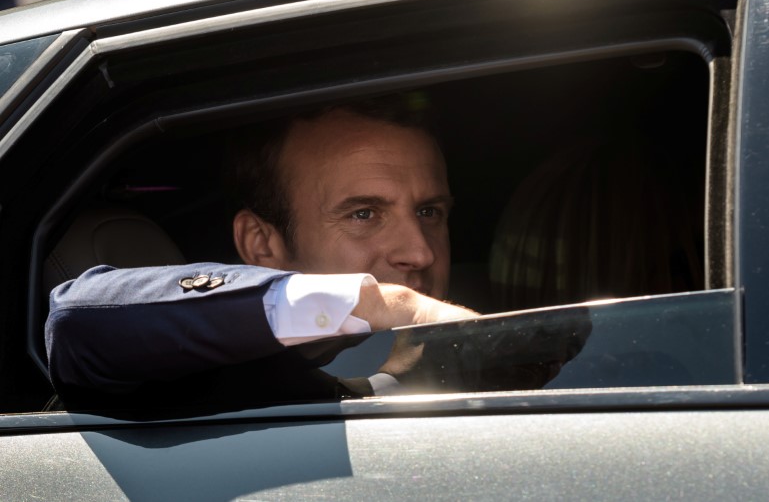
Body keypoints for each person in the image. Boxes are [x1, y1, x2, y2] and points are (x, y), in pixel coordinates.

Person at [45, 95, 480, 408]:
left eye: (428, 210)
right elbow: (77, 323)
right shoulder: (184, 384)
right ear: (261, 242)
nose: (420, 252)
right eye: (364, 214)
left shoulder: (467, 351)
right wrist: (390, 303)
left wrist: (398, 382)